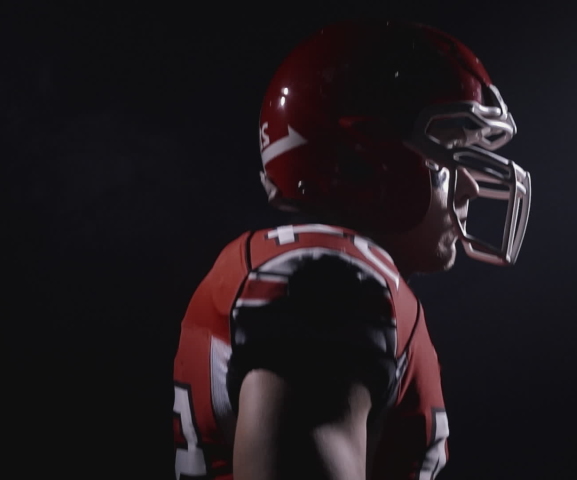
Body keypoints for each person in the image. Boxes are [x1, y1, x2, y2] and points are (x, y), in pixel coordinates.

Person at [173, 19, 532, 480]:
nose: (469, 186)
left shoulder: (313, 268)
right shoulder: (333, 283)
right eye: (446, 152)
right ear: (364, 159)